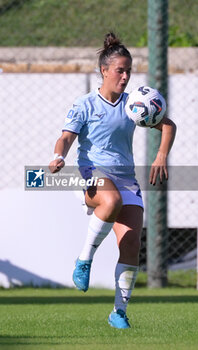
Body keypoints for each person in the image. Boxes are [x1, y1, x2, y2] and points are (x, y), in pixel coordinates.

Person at [49, 32, 176, 329]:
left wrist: (160, 156)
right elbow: (66, 137)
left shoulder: (134, 104)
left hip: (126, 178)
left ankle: (119, 312)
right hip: (91, 174)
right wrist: (58, 156)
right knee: (112, 200)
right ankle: (85, 259)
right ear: (104, 71)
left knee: (131, 244)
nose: (125, 76)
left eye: (129, 70)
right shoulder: (85, 104)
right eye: (120, 70)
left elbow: (168, 125)